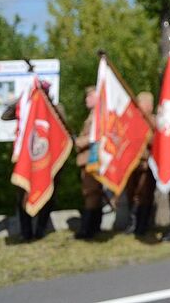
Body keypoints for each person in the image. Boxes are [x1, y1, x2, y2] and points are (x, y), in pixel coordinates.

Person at [4, 80, 67, 241]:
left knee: (48, 195)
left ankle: (40, 230)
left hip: (48, 160)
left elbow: (63, 130)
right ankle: (26, 232)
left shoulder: (56, 109)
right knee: (22, 195)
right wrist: (23, 101)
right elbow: (5, 116)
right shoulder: (27, 108)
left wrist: (49, 107)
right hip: (26, 160)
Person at [73, 85, 105, 240]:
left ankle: (87, 229)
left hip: (92, 159)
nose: (86, 99)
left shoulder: (98, 116)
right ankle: (94, 226)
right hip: (88, 159)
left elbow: (97, 135)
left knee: (91, 193)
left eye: (90, 96)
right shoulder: (93, 115)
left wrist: (79, 141)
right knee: (92, 193)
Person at [125, 91, 157, 237]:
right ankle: (133, 222)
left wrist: (145, 127)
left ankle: (143, 225)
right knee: (132, 194)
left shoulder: (154, 121)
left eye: (142, 103)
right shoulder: (132, 121)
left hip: (146, 164)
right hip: (132, 164)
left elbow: (155, 141)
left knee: (144, 194)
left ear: (150, 105)